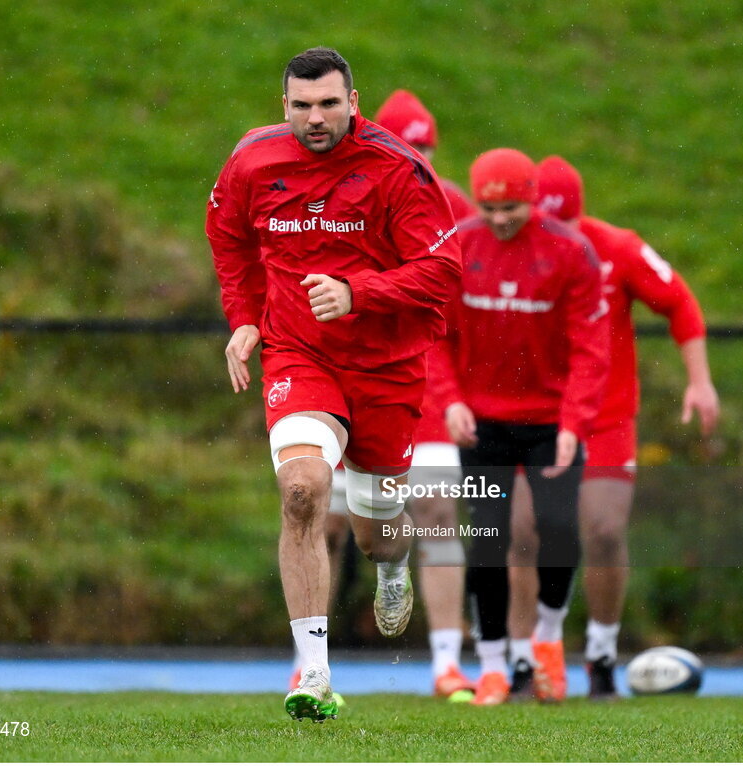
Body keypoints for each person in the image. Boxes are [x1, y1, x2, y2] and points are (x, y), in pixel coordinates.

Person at [205, 47, 462, 722]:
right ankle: (313, 672)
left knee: (379, 532)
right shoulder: (252, 160)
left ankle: (391, 567)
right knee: (301, 491)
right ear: (282, 105)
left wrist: (358, 292)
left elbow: (442, 271)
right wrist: (244, 320)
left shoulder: (396, 168)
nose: (314, 118)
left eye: (327, 104)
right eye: (301, 105)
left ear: (353, 100)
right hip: (298, 355)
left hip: (385, 365)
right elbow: (228, 238)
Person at [507, 155, 720, 699]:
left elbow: (679, 302)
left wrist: (699, 381)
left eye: (569, 226)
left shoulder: (617, 248)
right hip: (536, 415)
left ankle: (600, 652)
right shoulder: (508, 254)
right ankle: (524, 657)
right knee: (525, 532)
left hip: (602, 415)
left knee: (602, 529)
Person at [429, 148, 609, 706]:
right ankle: (491, 667)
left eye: (510, 207)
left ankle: (549, 640)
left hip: (550, 422)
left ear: (531, 200)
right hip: (483, 423)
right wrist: (450, 400)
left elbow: (590, 346)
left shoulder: (569, 251)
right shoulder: (459, 245)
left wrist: (574, 422)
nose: (499, 217)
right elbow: (435, 335)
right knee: (489, 539)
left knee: (557, 531)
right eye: (489, 206)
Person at [374, 88, 476, 698]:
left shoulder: (458, 208)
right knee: (329, 522)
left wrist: (465, 390)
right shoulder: (347, 200)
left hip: (432, 386)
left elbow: (465, 318)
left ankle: (445, 663)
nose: (421, 161)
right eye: (411, 149)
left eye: (428, 150)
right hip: (359, 377)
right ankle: (308, 659)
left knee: (438, 515)